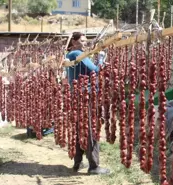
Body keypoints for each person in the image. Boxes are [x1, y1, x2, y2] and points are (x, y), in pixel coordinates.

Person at [66, 32, 110, 175]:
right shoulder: (77, 54)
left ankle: (78, 163)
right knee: (91, 129)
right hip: (86, 97)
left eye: (85, 41)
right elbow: (95, 70)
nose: (84, 43)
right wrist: (101, 59)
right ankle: (94, 166)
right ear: (73, 42)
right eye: (82, 41)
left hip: (78, 96)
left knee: (80, 128)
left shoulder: (71, 55)